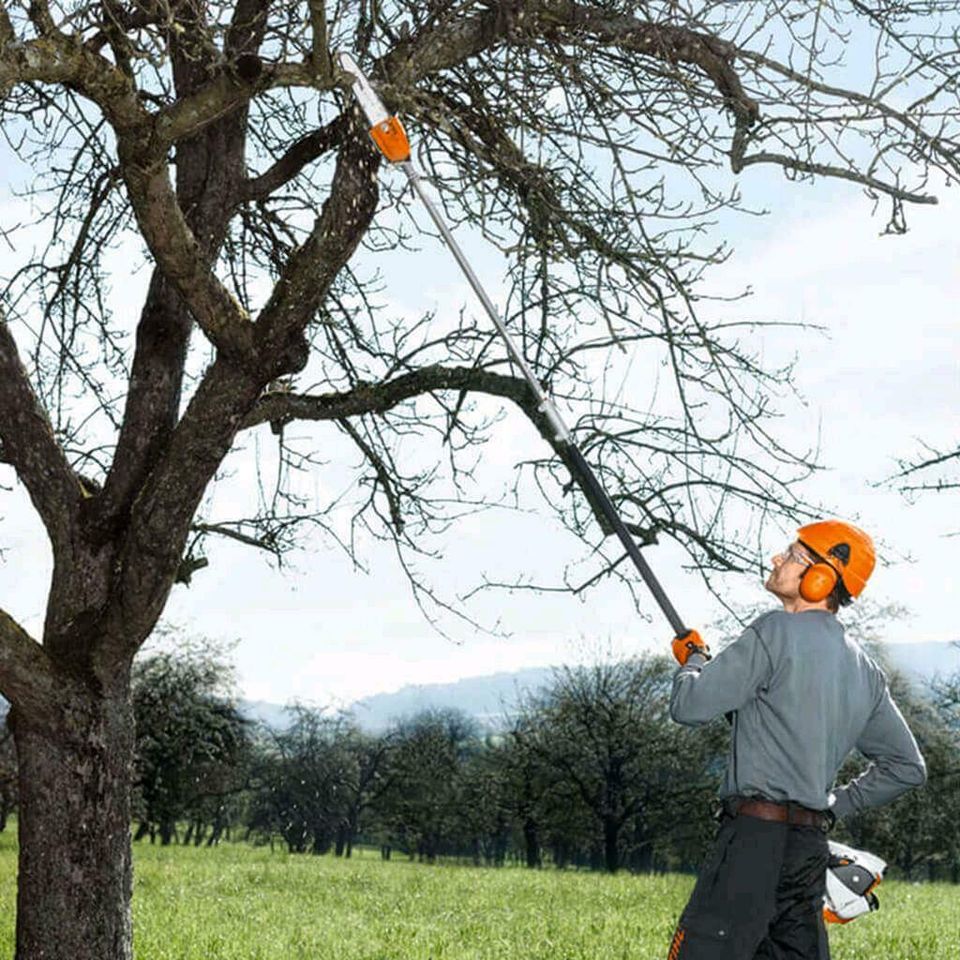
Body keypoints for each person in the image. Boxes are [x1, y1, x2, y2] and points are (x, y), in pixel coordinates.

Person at [665, 520, 926, 960]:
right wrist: (834, 805)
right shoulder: (864, 669)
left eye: (791, 554)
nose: (776, 559)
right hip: (808, 850)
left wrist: (692, 662)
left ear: (821, 576)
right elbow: (907, 767)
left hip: (750, 841)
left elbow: (688, 706)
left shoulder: (773, 631)